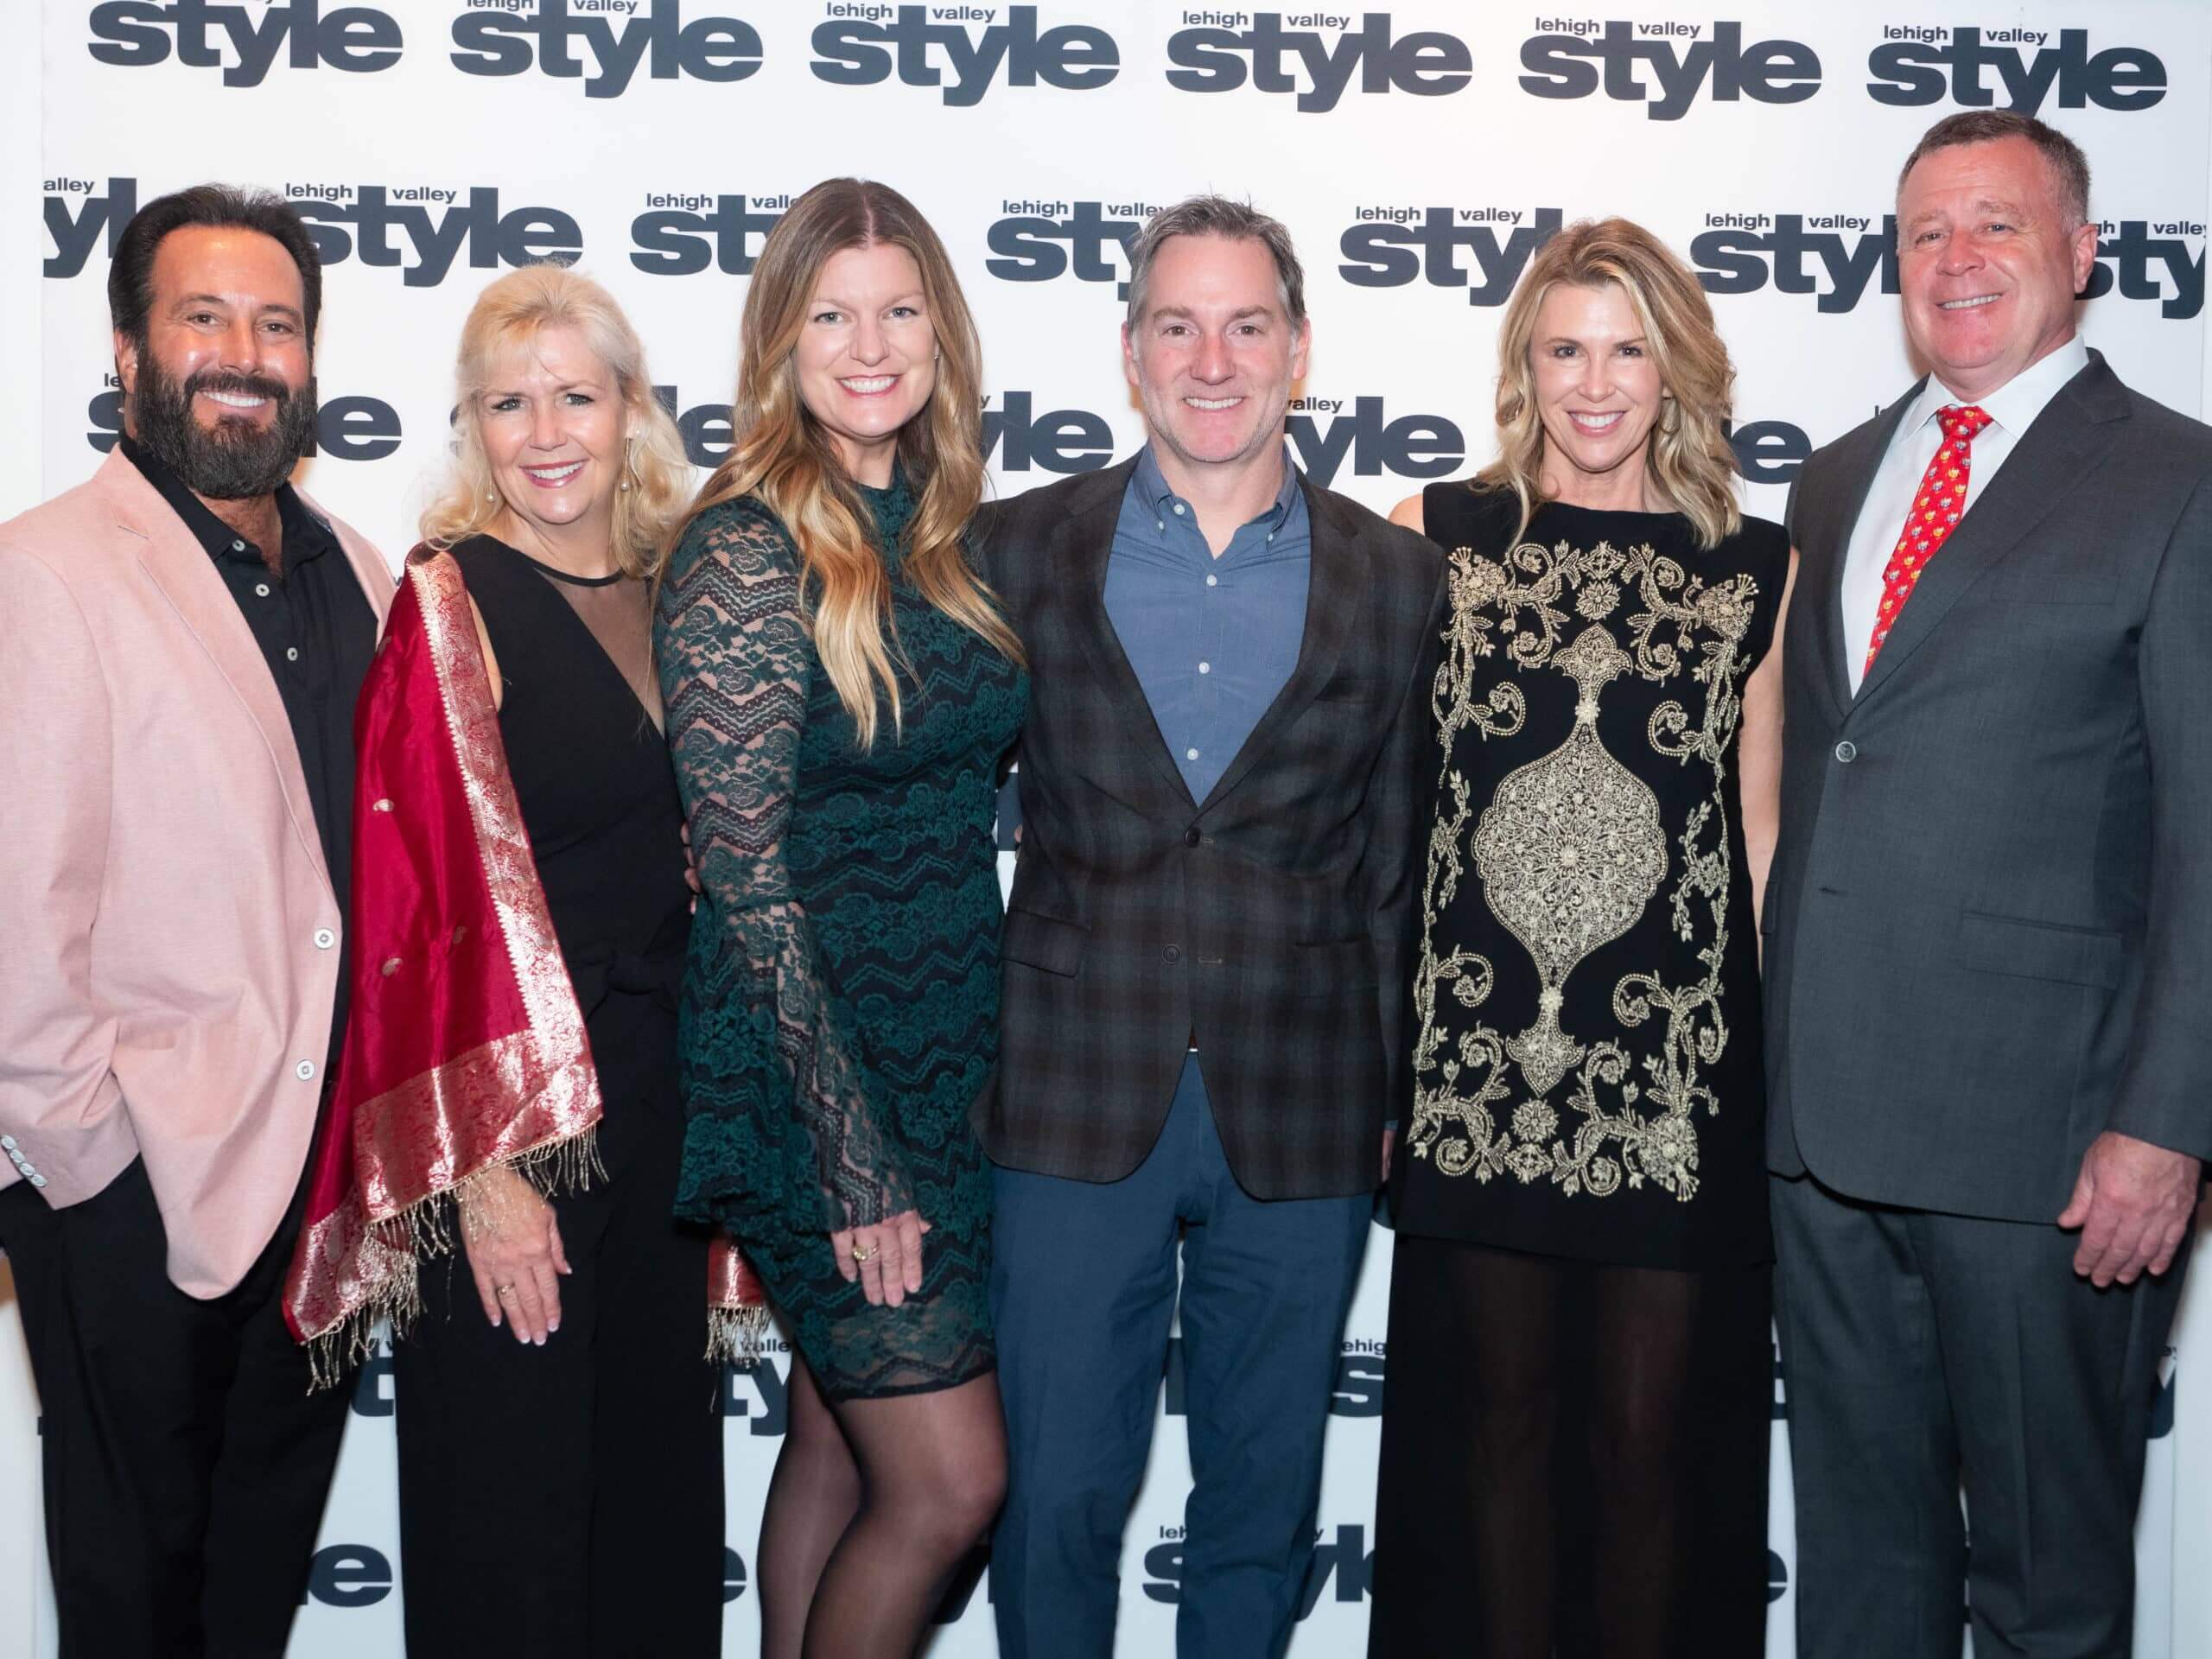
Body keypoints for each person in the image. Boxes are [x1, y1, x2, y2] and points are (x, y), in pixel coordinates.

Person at [971, 195, 1445, 1659]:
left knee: (1262, 1508)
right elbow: (917, 806)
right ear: (1129, 353)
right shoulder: (1013, 548)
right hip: (1063, 1093)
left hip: (1304, 1112)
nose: (1213, 358)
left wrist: (1392, 1090)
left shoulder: (1400, 575)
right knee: (1050, 1498)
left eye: (1248, 325)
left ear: (1300, 351)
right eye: (1178, 325)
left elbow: (1400, 856)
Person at [1765, 109, 2209, 1658]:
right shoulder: (1831, 486)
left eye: (1998, 227)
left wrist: (2167, 1123)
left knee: (2049, 1591)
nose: (1956, 262)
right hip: (1822, 1140)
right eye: (1925, 233)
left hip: (2051, 1150)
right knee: (1862, 1585)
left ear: (2085, 252)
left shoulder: (2180, 482)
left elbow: (2209, 837)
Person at [283, 264, 744, 1657]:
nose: (546, 433)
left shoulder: (681, 591)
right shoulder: (450, 601)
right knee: (514, 1533)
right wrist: (484, 1178)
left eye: (575, 397)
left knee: (655, 1516)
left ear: (630, 412)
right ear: (471, 427)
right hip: (514, 1135)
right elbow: (416, 908)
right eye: (507, 403)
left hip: (664, 1115)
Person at [1368, 219, 1794, 1659]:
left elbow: (1758, 841)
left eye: (1628, 350)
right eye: (1566, 350)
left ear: (1677, 372)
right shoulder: (1437, 538)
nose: (1596, 385)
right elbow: (1378, 811)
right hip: (1480, 1071)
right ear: (1525, 366)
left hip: (1673, 1087)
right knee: (1494, 1436)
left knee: (1647, 1448)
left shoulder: (1754, 570)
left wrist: (1756, 1083)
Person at [0, 184, 392, 1656]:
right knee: (132, 1600)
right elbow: (17, 923)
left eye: (276, 323)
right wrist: (94, 1176)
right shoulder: (45, 572)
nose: (245, 350)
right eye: (204, 317)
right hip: (131, 1187)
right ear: (127, 350)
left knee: (252, 1591)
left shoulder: (357, 567)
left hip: (323, 1195)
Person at [656, 176, 1027, 1659]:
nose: (869, 345)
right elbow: (742, 879)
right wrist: (854, 1153)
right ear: (780, 341)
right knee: (948, 1484)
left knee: (833, 1447)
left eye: (898, 310)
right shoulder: (750, 547)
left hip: (949, 1055)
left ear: (940, 331)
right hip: (820, 1077)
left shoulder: (943, 537)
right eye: (832, 315)